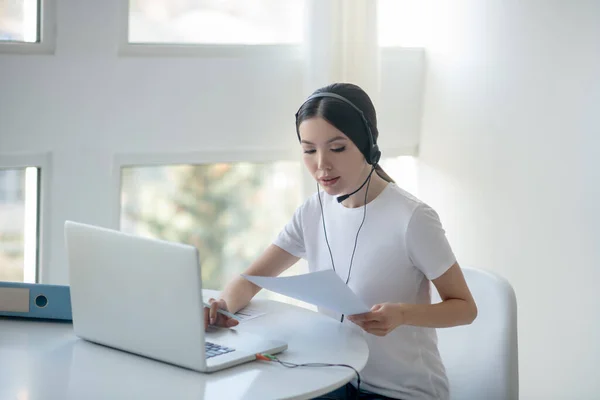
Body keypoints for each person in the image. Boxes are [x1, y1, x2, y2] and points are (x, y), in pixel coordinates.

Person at [204, 83, 478, 400]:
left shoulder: (412, 218)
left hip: (401, 392)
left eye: (337, 148)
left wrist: (402, 314)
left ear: (367, 146)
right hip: (336, 377)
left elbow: (465, 309)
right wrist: (222, 306)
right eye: (309, 150)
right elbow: (250, 280)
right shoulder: (312, 211)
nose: (321, 165)